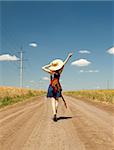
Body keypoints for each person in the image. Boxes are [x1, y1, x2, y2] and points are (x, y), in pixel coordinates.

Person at [42, 52, 73, 122]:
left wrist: (49, 65)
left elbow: (43, 68)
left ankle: (54, 113)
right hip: (58, 86)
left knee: (53, 101)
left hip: (51, 86)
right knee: (57, 101)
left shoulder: (51, 71)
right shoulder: (59, 72)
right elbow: (63, 64)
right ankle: (56, 112)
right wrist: (68, 57)